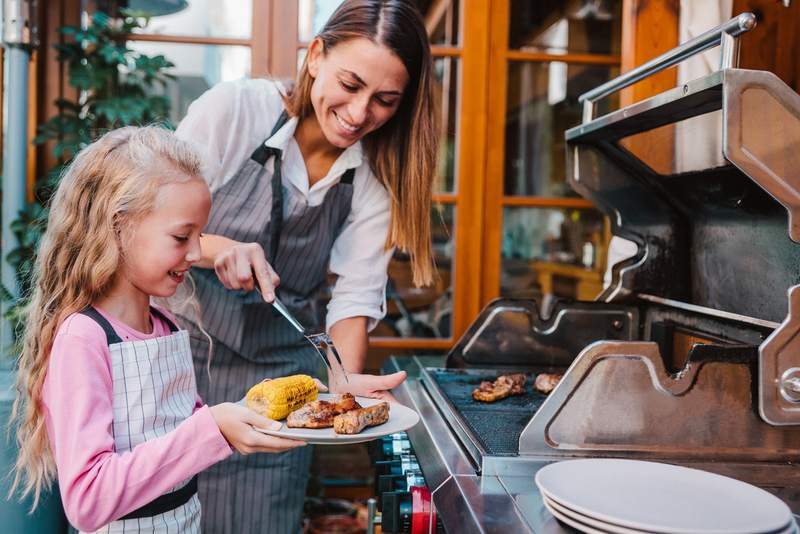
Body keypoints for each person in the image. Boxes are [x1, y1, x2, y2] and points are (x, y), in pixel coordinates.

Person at [173, 0, 439, 532]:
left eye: (385, 100)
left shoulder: (373, 178)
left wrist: (343, 388)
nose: (361, 112)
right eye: (351, 83)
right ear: (316, 55)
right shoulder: (234, 112)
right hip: (182, 365)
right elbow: (150, 227)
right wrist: (220, 245)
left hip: (281, 383)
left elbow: (355, 296)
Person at [9, 126, 310, 533]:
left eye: (200, 235)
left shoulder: (165, 325)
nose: (198, 253)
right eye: (182, 236)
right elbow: (87, 499)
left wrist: (247, 414)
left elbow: (182, 430)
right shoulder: (83, 338)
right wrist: (211, 428)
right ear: (118, 226)